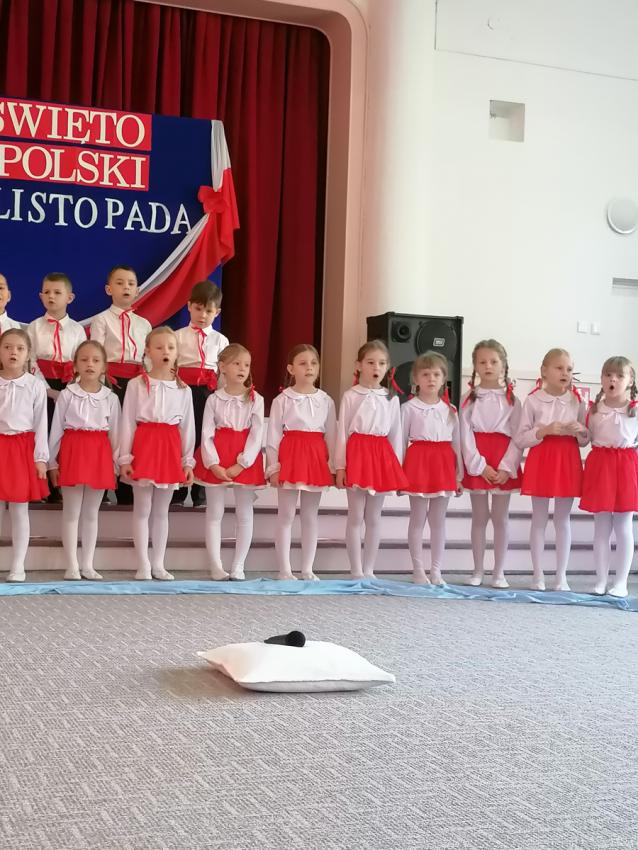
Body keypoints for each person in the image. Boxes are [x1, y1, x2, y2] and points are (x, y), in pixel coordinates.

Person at [118, 327, 195, 580]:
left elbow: (187, 427)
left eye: (170, 347)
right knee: (142, 508)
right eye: (159, 347)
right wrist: (125, 458)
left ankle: (158, 563)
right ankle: (143, 564)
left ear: (177, 353)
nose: (165, 352)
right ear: (148, 351)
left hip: (170, 447)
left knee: (162, 510)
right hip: (145, 445)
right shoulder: (136, 385)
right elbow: (127, 422)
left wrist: (187, 461)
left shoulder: (184, 389)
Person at [515, 348, 588, 591]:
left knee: (562, 519)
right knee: (539, 518)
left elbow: (585, 440)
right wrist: (544, 431)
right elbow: (521, 438)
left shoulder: (577, 401)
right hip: (542, 458)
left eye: (569, 369)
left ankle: (561, 576)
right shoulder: (533, 400)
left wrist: (580, 430)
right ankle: (538, 575)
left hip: (567, 459)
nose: (565, 372)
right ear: (544, 371)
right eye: (559, 368)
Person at [48, 340, 121, 581]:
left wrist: (115, 464)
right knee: (71, 511)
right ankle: (71, 565)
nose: (90, 364)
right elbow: (56, 431)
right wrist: (52, 463)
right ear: (75, 366)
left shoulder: (110, 398)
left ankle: (88, 564)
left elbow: (116, 435)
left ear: (104, 367)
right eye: (84, 359)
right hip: (73, 452)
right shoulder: (67, 395)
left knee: (91, 512)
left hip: (99, 453)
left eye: (96, 360)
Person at [335, 340, 407, 579]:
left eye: (382, 363)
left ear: (388, 367)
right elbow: (342, 433)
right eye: (371, 362)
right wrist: (340, 466)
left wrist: (396, 470)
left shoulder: (391, 398)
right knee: (356, 515)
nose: (376, 367)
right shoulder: (350, 396)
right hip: (357, 454)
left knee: (374, 517)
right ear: (359, 365)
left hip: (381, 456)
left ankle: (369, 569)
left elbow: (396, 435)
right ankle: (356, 568)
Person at [194, 343, 265, 580]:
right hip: (218, 455)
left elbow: (257, 434)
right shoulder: (214, 400)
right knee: (214, 512)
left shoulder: (256, 399)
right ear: (223, 367)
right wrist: (213, 463)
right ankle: (216, 565)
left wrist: (242, 463)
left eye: (246, 365)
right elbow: (206, 433)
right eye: (237, 363)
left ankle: (238, 565)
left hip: (244, 459)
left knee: (244, 512)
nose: (242, 368)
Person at [266, 344, 337, 581]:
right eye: (303, 363)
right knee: (286, 515)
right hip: (291, 457)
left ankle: (307, 568)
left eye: (313, 363)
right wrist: (274, 467)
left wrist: (332, 466)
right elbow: (273, 436)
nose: (309, 368)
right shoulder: (282, 400)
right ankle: (284, 569)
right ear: (291, 369)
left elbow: (331, 436)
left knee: (310, 516)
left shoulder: (326, 401)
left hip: (315, 458)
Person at [460, 339, 522, 588]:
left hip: (502, 456)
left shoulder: (513, 400)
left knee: (500, 518)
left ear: (503, 365)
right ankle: (477, 570)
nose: (488, 366)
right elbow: (464, 435)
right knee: (479, 517)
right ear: (475, 366)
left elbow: (518, 435)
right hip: (479, 458)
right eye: (482, 362)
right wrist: (479, 465)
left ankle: (499, 572)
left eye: (494, 361)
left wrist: (507, 467)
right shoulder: (468, 398)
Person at [90, 265, 151, 504]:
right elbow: (97, 352)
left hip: (136, 383)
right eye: (120, 282)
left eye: (131, 283)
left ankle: (127, 489)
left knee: (132, 432)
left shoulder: (144, 324)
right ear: (109, 289)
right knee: (109, 431)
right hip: (110, 381)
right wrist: (100, 384)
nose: (126, 287)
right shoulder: (101, 319)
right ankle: (105, 486)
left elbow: (147, 357)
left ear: (137, 290)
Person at [401, 352, 463, 585]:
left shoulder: (451, 410)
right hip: (418, 462)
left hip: (443, 464)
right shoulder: (408, 408)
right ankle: (418, 570)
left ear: (444, 378)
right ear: (415, 378)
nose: (431, 379)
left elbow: (457, 444)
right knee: (417, 518)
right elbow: (400, 442)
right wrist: (399, 475)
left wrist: (459, 475)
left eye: (436, 374)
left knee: (438, 520)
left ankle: (436, 570)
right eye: (425, 374)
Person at [580, 356, 638, 598]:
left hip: (626, 466)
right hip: (600, 466)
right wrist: (579, 431)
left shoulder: (635, 410)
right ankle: (601, 580)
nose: (613, 379)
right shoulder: (594, 410)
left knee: (623, 526)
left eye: (619, 375)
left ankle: (621, 582)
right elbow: (585, 440)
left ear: (630, 381)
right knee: (601, 527)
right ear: (602, 379)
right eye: (608, 374)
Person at [174, 281, 229, 507]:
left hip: (209, 394)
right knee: (182, 437)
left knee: (205, 437)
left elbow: (224, 373)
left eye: (208, 310)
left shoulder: (221, 340)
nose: (202, 315)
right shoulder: (177, 337)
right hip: (182, 393)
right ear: (189, 307)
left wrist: (222, 398)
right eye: (198, 309)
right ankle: (177, 492)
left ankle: (200, 492)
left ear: (217, 312)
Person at [0, 329, 49, 582]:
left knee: (19, 510)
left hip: (22, 449)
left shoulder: (35, 385)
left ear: (28, 354)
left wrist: (41, 458)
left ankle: (18, 566)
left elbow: (41, 423)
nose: (13, 352)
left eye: (20, 348)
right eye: (7, 347)